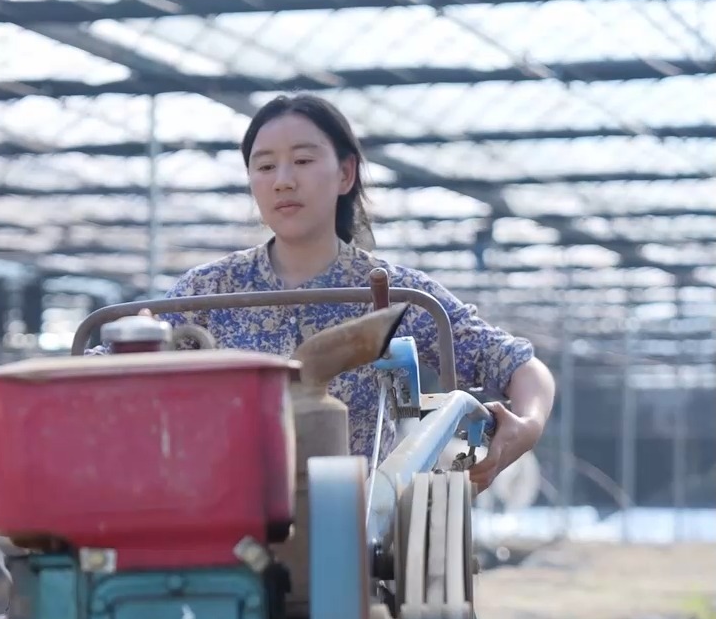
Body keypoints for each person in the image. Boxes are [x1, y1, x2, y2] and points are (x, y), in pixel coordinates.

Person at [166, 93, 554, 490]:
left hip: (356, 527)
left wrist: (527, 426)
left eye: (303, 160)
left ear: (345, 174)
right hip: (225, 513)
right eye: (265, 166)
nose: (283, 180)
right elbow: (110, 369)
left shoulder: (395, 295)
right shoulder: (208, 293)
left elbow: (519, 366)